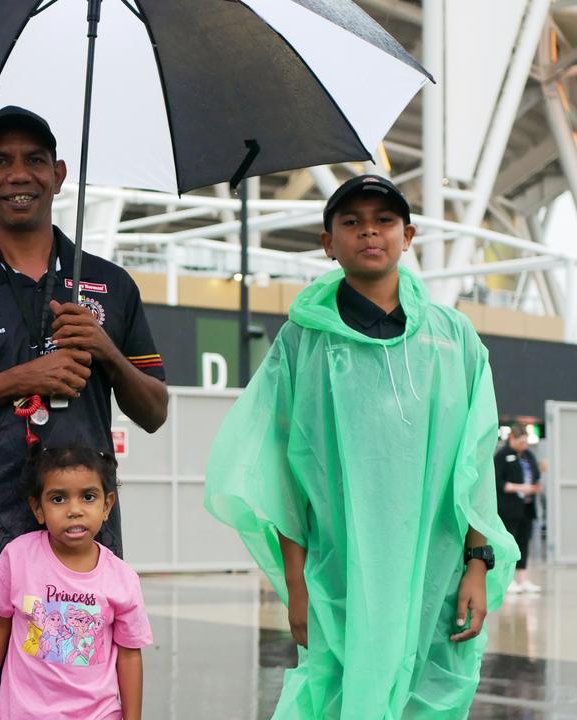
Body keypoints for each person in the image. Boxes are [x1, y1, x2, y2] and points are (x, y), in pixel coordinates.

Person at [205, 175, 519, 718]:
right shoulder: (305, 340)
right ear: (328, 242)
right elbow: (280, 470)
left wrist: (476, 562)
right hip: (338, 570)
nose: (369, 233)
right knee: (337, 693)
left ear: (408, 234)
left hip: (436, 570)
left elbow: (473, 464)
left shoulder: (453, 338)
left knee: (428, 695)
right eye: (351, 222)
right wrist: (297, 582)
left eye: (384, 221)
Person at [0, 106, 167, 719]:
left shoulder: (108, 285)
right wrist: (19, 379)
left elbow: (154, 410)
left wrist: (106, 351)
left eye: (35, 160)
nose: (20, 174)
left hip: (82, 554)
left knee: (85, 708)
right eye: (1, 161)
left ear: (60, 174)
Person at [0, 445, 150, 720]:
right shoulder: (18, 557)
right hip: (24, 713)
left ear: (107, 506)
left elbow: (129, 655)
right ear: (38, 509)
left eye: (88, 497)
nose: (74, 510)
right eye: (58, 499)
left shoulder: (122, 578)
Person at [496, 423, 543, 593]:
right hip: (509, 508)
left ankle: (522, 579)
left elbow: (535, 474)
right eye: (521, 442)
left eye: (526, 443)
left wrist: (535, 485)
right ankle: (506, 580)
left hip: (526, 507)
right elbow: (498, 483)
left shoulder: (528, 455)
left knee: (523, 541)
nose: (524, 446)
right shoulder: (502, 456)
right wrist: (521, 488)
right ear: (511, 439)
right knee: (509, 543)